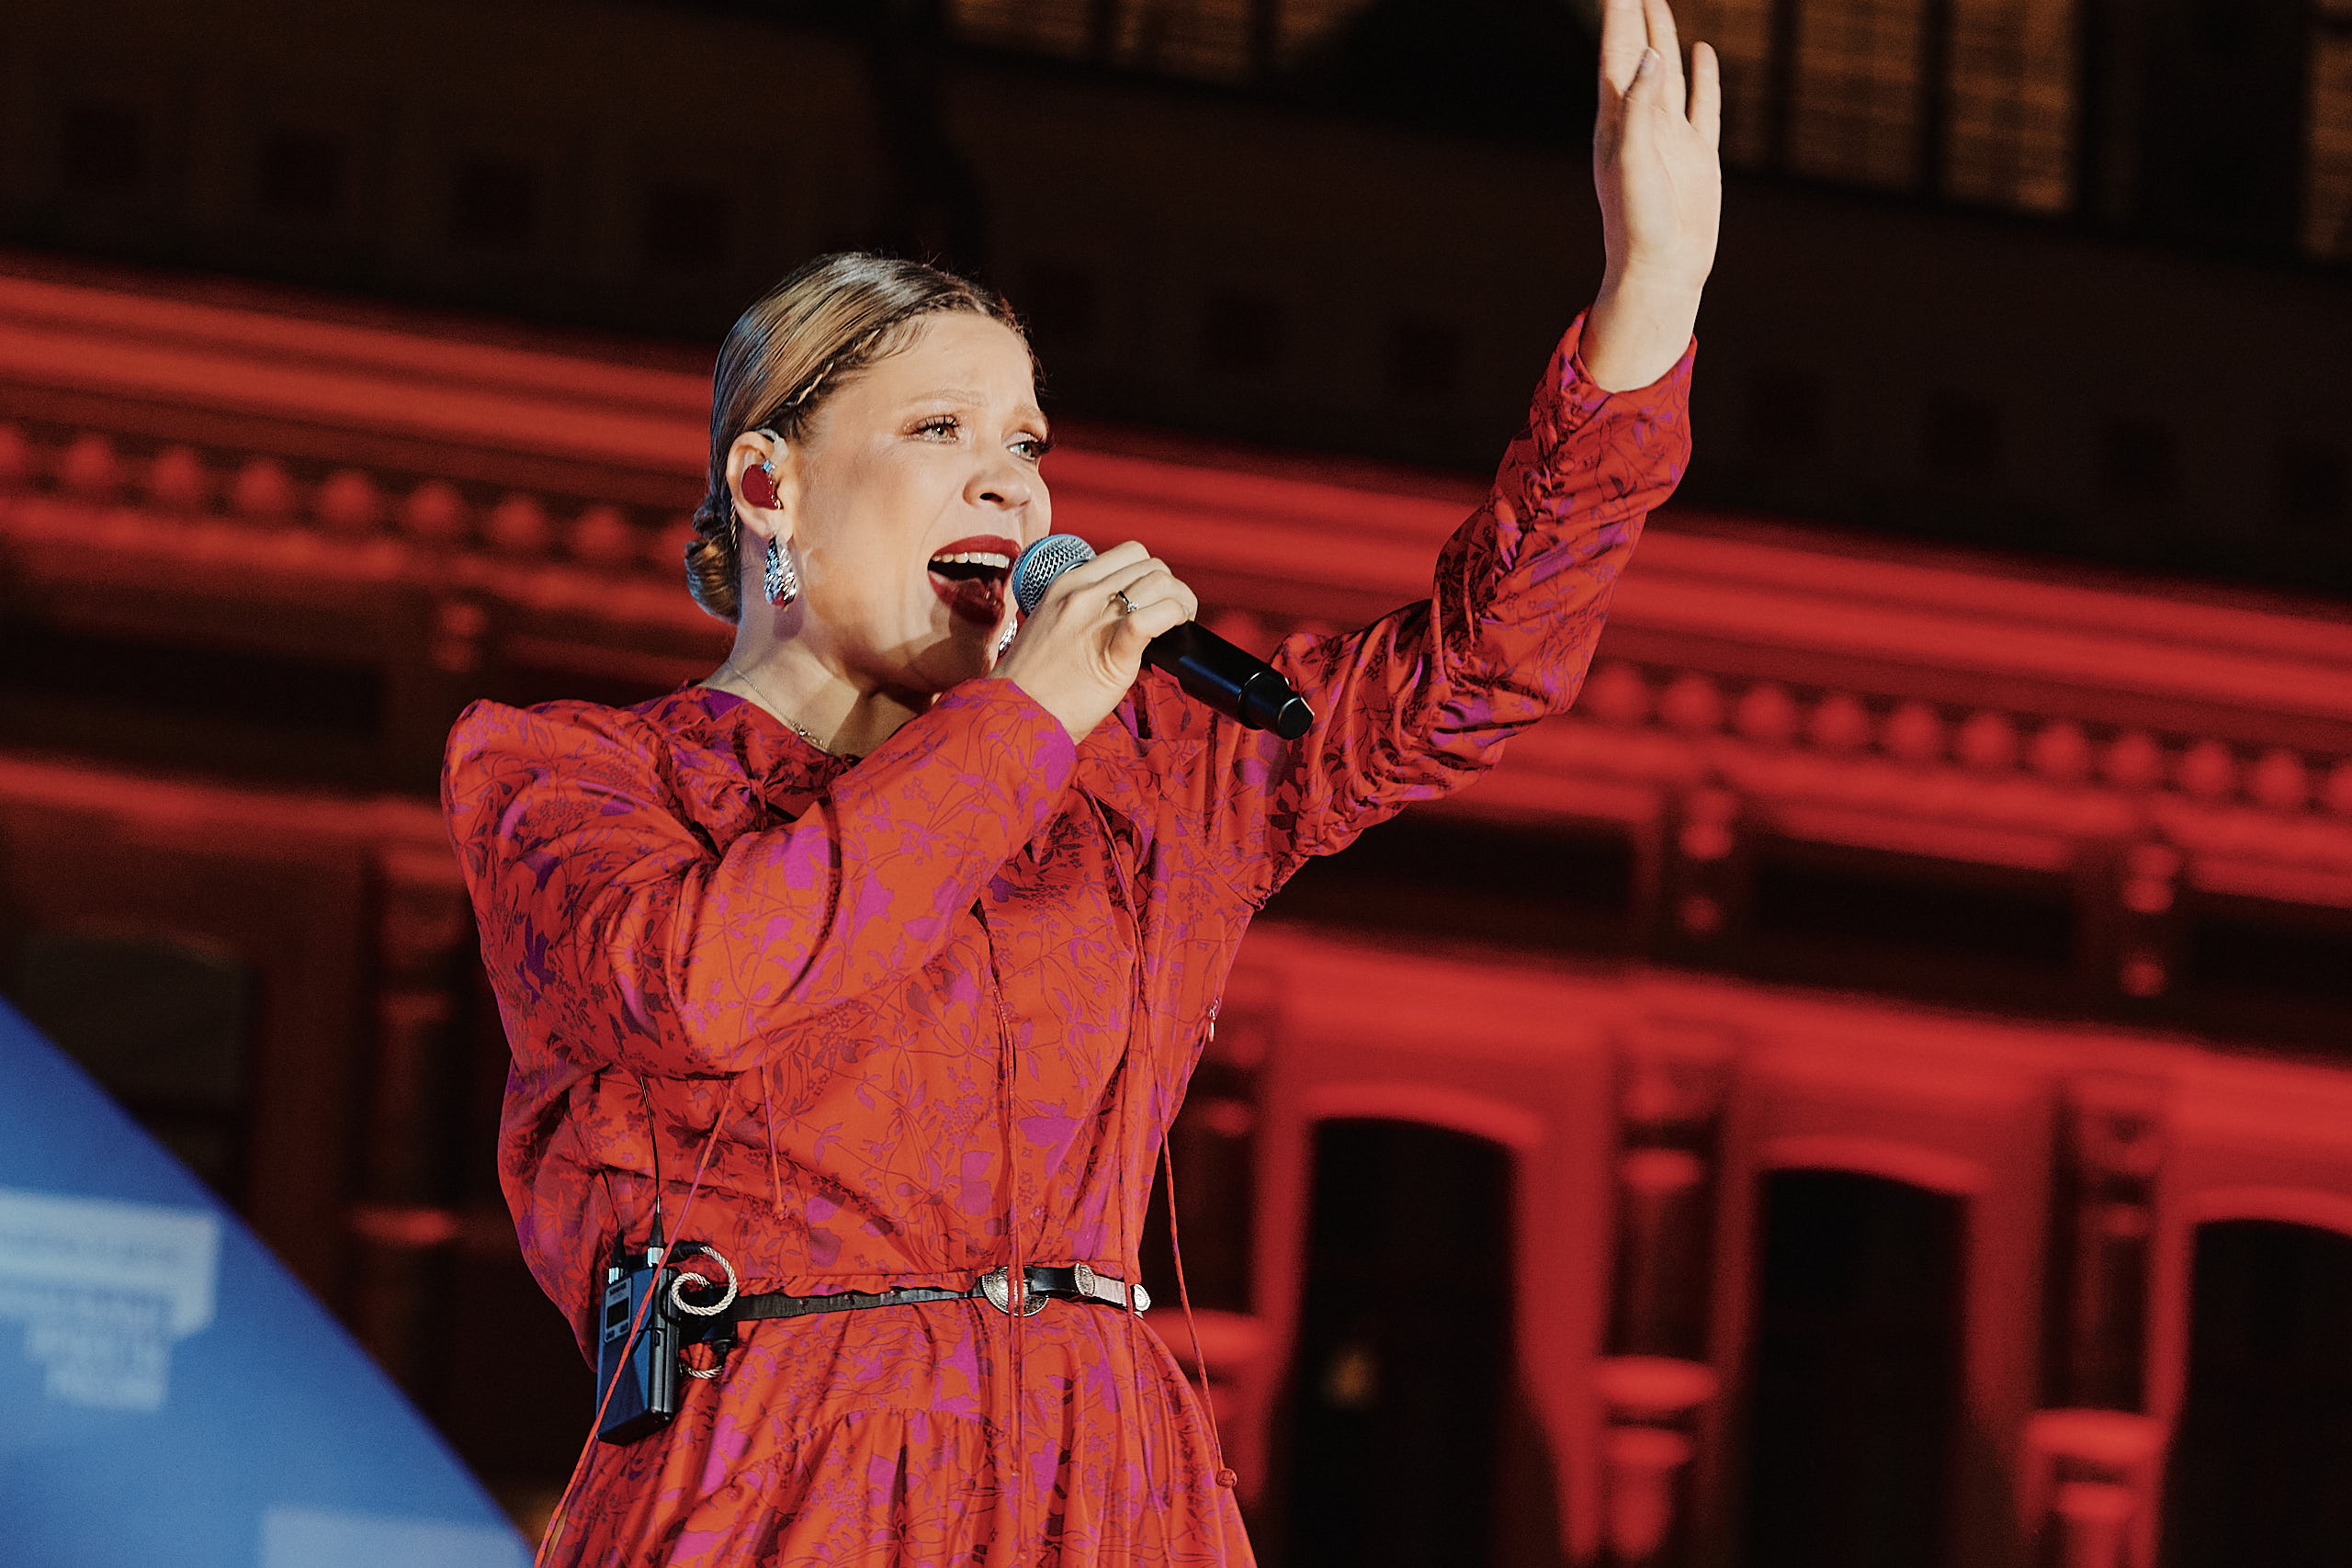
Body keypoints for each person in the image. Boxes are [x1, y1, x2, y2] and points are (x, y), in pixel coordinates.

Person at [440, 0, 1720, 1561]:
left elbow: (1471, 669)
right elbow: (699, 985)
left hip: (1101, 1490)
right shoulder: (572, 776)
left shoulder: (1143, 776)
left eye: (1029, 441)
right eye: (940, 429)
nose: (1011, 480)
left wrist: (1647, 303)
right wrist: (1023, 718)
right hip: (785, 1481)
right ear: (767, 482)